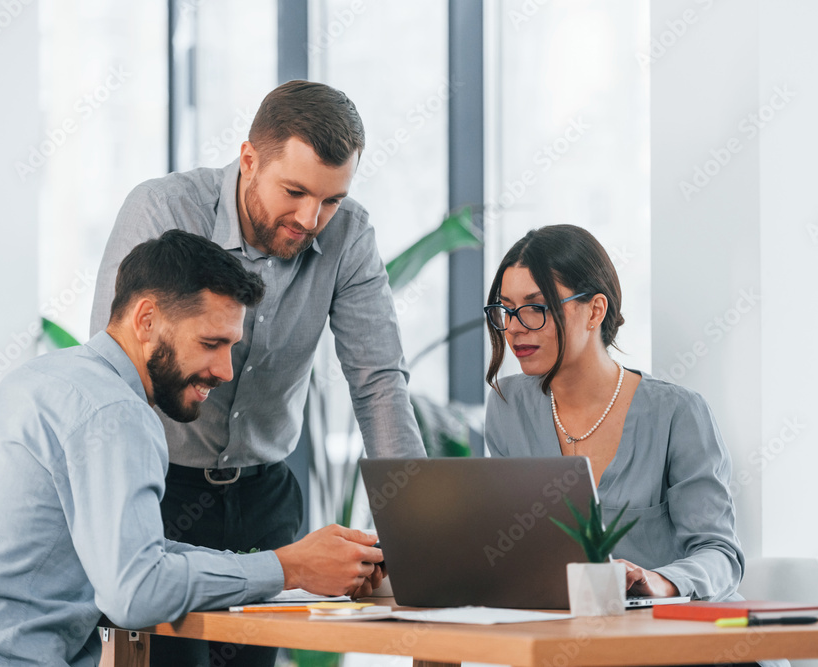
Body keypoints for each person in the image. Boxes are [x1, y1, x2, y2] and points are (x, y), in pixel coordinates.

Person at [88, 81, 424, 665]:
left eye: (331, 200)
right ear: (249, 160)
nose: (310, 218)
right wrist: (121, 514)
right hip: (161, 490)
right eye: (294, 192)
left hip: (266, 497)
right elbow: (117, 372)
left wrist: (420, 533)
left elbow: (377, 381)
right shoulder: (165, 211)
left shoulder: (349, 236)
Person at [0, 231, 384, 667]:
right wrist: (288, 567)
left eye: (231, 347)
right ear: (146, 320)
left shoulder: (39, 380)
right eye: (210, 344)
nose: (224, 370)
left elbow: (141, 555)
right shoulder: (115, 411)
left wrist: (289, 567)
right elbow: (138, 592)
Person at [482, 224, 744, 601]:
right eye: (505, 310)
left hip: (683, 641)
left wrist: (658, 581)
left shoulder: (677, 413)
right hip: (576, 640)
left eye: (535, 308)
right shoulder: (508, 406)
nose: (514, 328)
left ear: (595, 310)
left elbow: (721, 555)